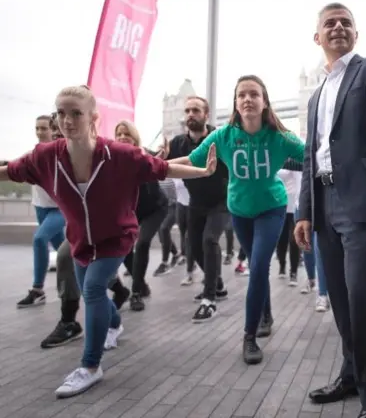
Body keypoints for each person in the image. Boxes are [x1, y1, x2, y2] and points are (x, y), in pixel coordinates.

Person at [0, 85, 216, 398]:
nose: (67, 120)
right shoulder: (46, 158)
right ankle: (114, 323)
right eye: (61, 113)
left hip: (116, 237)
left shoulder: (119, 155)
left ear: (93, 118)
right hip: (80, 241)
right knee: (95, 297)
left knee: (93, 290)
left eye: (76, 113)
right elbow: (11, 170)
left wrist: (203, 171)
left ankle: (90, 366)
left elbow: (161, 167)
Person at [294, 3, 366, 418]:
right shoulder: (317, 94)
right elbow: (311, 157)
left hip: (364, 203)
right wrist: (305, 211)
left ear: (355, 35)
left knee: (363, 298)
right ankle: (350, 374)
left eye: (346, 23)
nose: (338, 27)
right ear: (317, 37)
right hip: (324, 206)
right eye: (329, 23)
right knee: (340, 300)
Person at [170, 75, 305, 364]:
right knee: (258, 268)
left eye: (254, 94)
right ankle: (266, 313)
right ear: (235, 103)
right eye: (241, 94)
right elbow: (192, 161)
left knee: (257, 267)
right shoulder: (223, 137)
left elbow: (314, 157)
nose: (247, 99)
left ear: (264, 101)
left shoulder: (280, 137)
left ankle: (249, 336)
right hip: (240, 211)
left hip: (272, 208)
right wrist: (155, 167)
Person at [160, 96, 229, 321]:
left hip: (221, 202)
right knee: (193, 247)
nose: (191, 114)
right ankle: (216, 282)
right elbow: (159, 165)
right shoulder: (177, 143)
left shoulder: (219, 139)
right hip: (195, 203)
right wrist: (159, 157)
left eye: (196, 110)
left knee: (210, 240)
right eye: (187, 110)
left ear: (206, 115)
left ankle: (209, 299)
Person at [115, 120, 169, 311]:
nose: (122, 137)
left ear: (134, 137)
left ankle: (136, 293)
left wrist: (163, 156)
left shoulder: (144, 154)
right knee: (123, 248)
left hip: (155, 208)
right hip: (132, 211)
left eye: (126, 134)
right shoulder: (113, 160)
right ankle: (142, 284)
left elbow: (161, 161)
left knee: (143, 242)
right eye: (119, 134)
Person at [17, 115, 66, 308]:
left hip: (59, 209)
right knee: (67, 252)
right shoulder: (31, 155)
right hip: (40, 209)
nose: (39, 132)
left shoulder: (61, 155)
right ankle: (109, 282)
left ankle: (37, 290)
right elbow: (12, 168)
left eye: (44, 128)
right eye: (37, 128)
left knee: (39, 239)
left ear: (53, 131)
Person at [275, 168, 302, 285]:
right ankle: (282, 265)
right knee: (281, 238)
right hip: (279, 203)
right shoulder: (276, 157)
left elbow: (299, 181)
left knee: (293, 240)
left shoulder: (293, 159)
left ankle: (294, 272)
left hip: (294, 204)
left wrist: (300, 203)